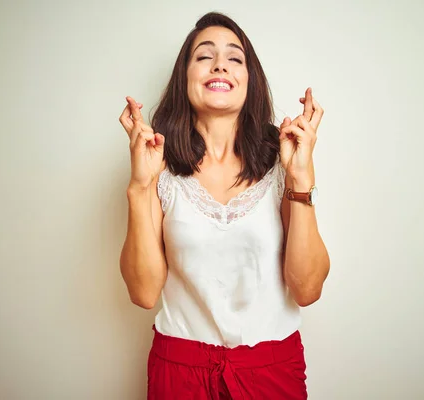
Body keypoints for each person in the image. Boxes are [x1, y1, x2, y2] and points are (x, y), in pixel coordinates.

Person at [118, 11, 330, 400]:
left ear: (250, 80)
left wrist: (301, 178)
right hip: (179, 371)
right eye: (204, 56)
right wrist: (139, 186)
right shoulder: (159, 164)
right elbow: (144, 293)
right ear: (185, 77)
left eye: (235, 58)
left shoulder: (280, 162)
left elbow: (308, 288)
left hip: (271, 370)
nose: (220, 64)